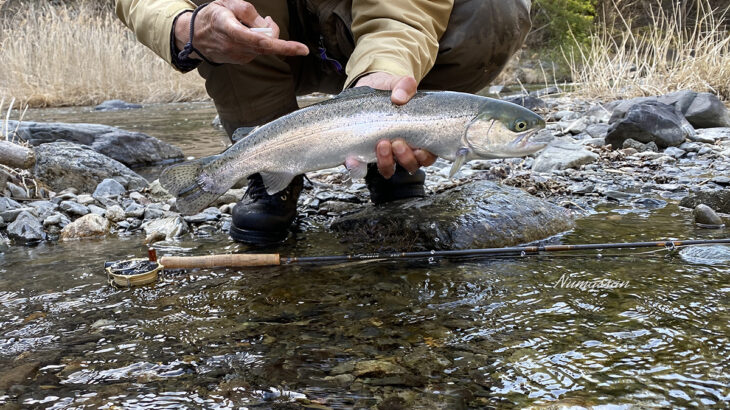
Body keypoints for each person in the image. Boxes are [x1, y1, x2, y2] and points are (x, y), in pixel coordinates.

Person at [115, 0, 532, 244]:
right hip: (264, 37)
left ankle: (392, 162)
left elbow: (406, 10)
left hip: (363, 27)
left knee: (492, 8)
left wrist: (385, 70)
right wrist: (182, 26)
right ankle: (271, 168)